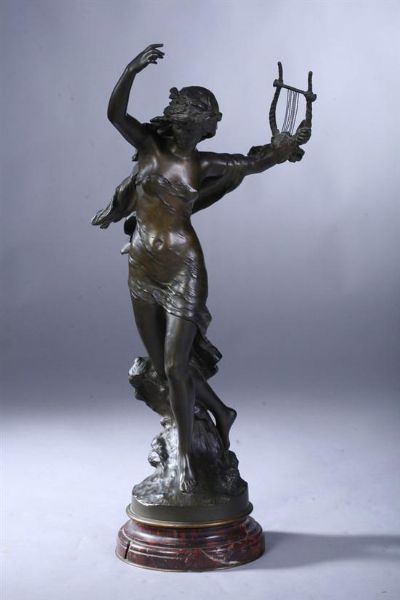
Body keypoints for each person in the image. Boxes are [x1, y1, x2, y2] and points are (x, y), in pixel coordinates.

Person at [93, 44, 307, 493]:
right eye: (211, 118)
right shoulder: (149, 146)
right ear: (191, 119)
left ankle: (186, 462)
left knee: (175, 366)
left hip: (183, 269)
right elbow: (115, 114)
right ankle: (222, 413)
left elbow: (254, 162)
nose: (216, 125)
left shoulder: (204, 164)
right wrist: (131, 69)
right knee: (161, 367)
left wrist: (285, 148)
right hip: (141, 266)